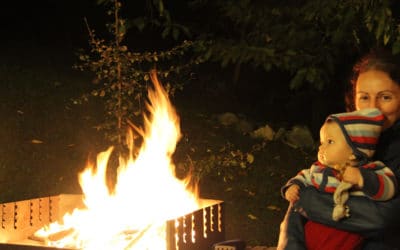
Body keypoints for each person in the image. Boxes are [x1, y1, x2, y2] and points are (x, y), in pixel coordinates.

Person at [281, 48, 400, 250]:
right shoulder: (345, 137)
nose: (373, 107)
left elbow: (383, 218)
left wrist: (307, 201)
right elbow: (311, 182)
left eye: (385, 97)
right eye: (364, 97)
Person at [278, 108, 397, 250]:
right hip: (313, 232)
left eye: (330, 142)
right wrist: (292, 186)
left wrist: (362, 178)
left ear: (354, 152)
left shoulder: (371, 169)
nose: (321, 148)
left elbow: (389, 188)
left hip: (345, 234)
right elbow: (304, 176)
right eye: (322, 142)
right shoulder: (319, 169)